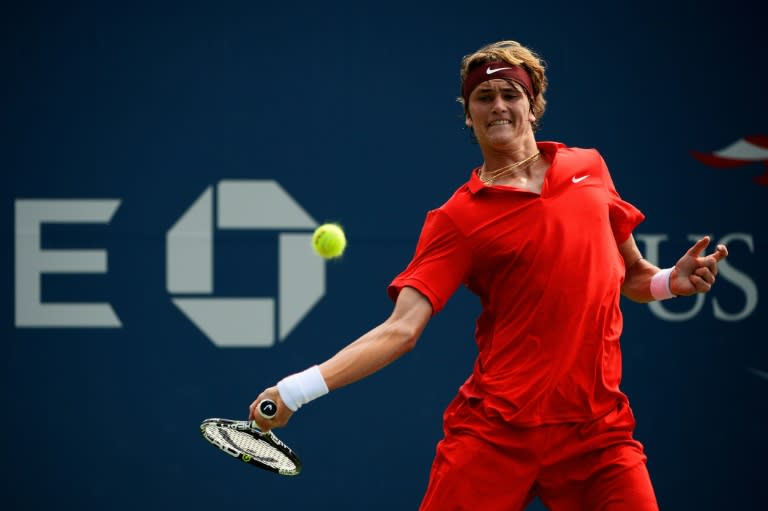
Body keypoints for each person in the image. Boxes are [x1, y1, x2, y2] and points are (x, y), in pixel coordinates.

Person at [249, 40, 729, 510]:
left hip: (596, 434)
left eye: (510, 94)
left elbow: (632, 276)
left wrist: (670, 281)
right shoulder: (457, 218)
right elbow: (401, 329)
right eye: (484, 96)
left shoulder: (590, 169)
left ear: (533, 105)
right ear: (468, 113)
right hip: (495, 434)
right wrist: (296, 389)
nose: (497, 106)